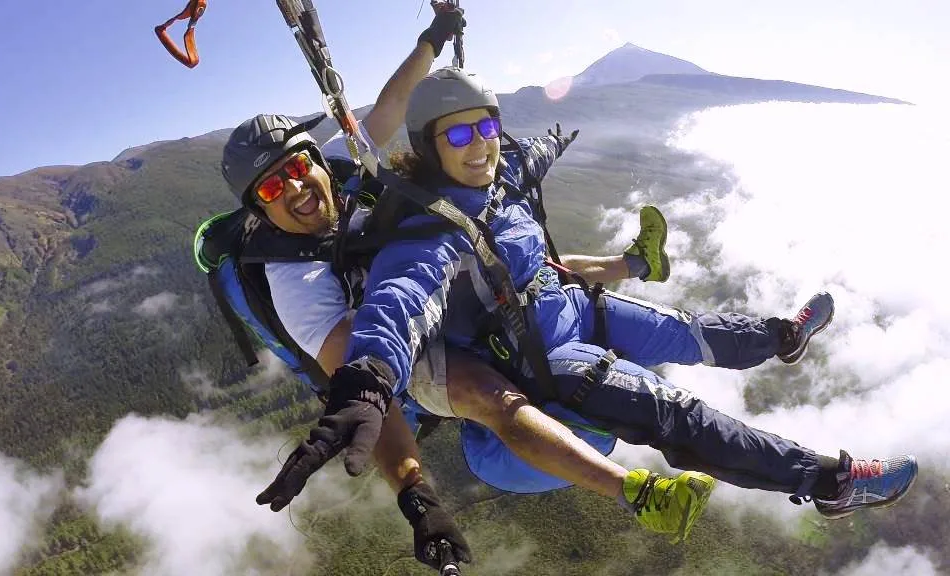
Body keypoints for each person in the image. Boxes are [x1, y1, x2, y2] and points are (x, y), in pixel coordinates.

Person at [258, 67, 919, 533]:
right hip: (545, 360)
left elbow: (520, 165)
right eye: (458, 136)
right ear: (428, 148)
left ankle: (783, 337)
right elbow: (397, 301)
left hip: (572, 304)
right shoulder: (426, 231)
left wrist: (548, 144)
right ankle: (829, 482)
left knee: (693, 332)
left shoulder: (498, 170)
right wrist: (365, 385)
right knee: (676, 414)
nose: (481, 143)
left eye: (486, 126)